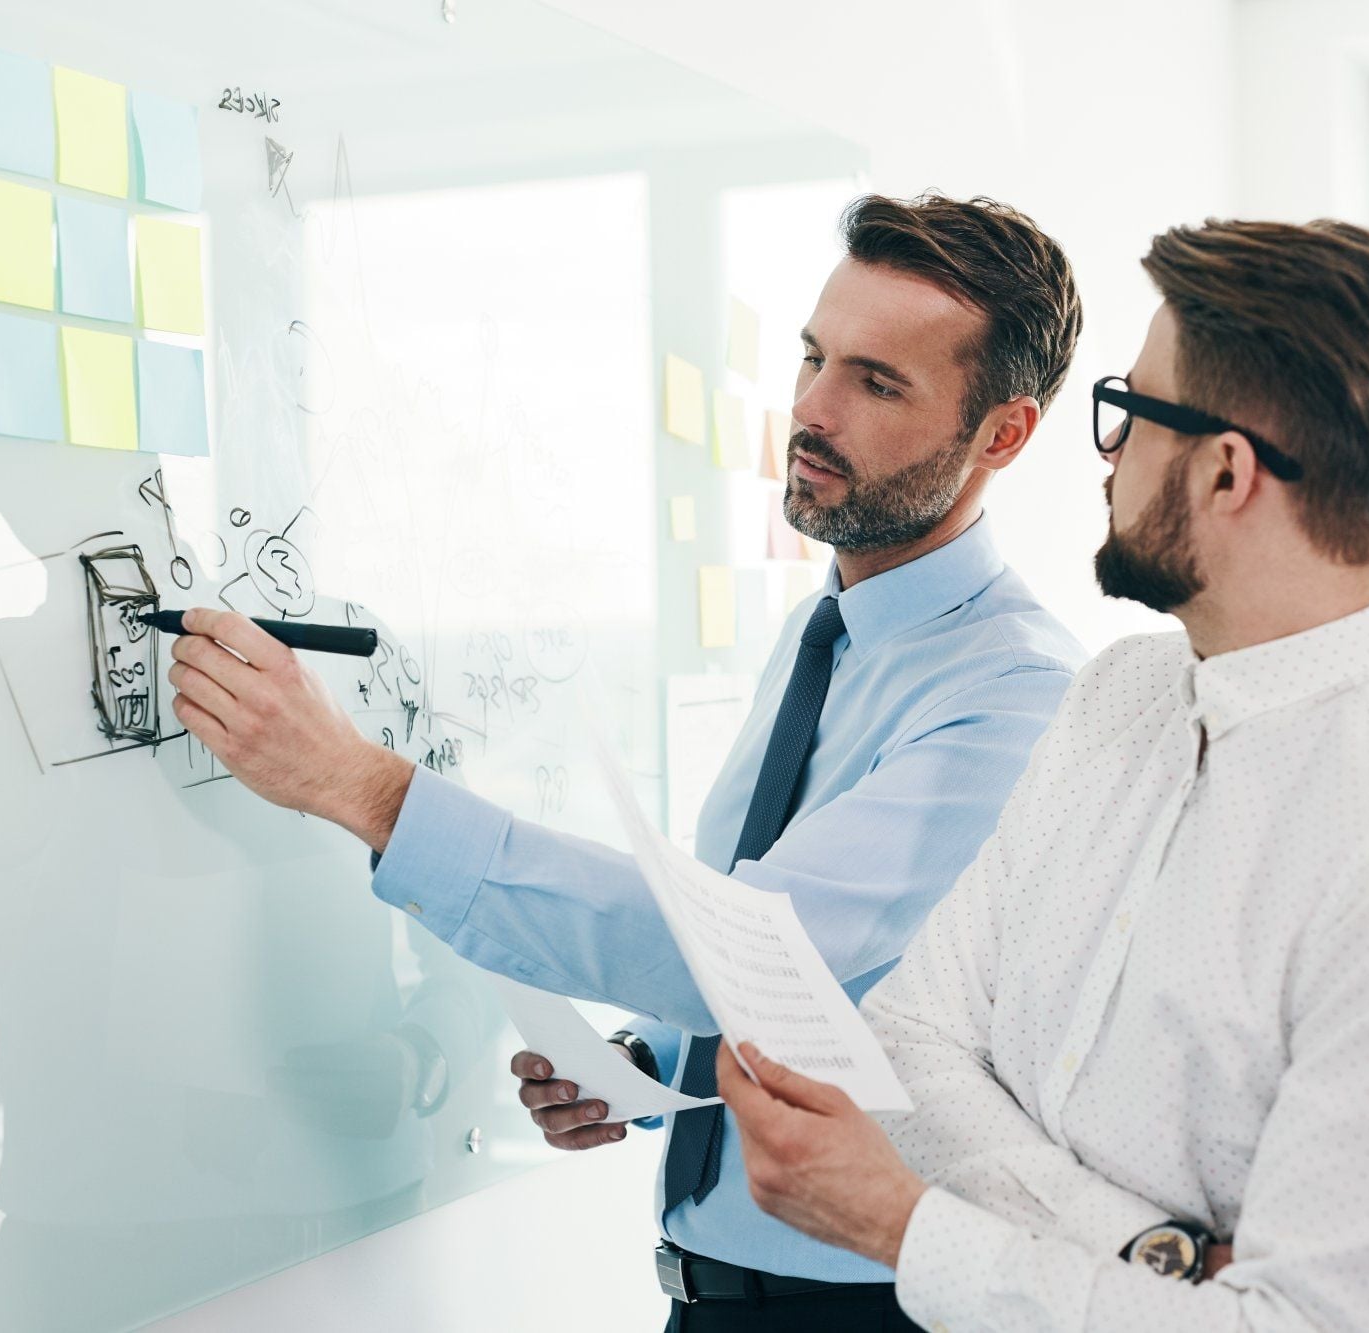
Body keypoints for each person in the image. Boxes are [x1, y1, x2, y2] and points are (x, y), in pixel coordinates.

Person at [166, 193, 1088, 1329]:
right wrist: (646, 1065)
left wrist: (360, 786)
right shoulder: (831, 641)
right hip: (716, 1298)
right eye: (811, 358)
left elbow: (746, 961)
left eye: (875, 381)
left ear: (1001, 434)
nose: (808, 408)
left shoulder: (1012, 698)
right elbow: (827, 987)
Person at [717, 218, 1369, 1333]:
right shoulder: (1117, 701)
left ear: (1222, 471)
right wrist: (1154, 1254)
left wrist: (905, 1227)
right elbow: (912, 1042)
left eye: (1130, 411)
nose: (1104, 453)